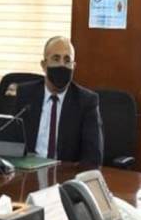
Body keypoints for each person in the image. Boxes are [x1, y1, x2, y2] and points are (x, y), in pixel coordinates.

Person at [14, 36, 103, 168]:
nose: (62, 65)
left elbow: (93, 157)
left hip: (65, 174)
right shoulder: (26, 95)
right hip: (28, 172)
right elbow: (12, 144)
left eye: (67, 60)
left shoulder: (86, 101)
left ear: (73, 66)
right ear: (44, 65)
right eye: (56, 59)